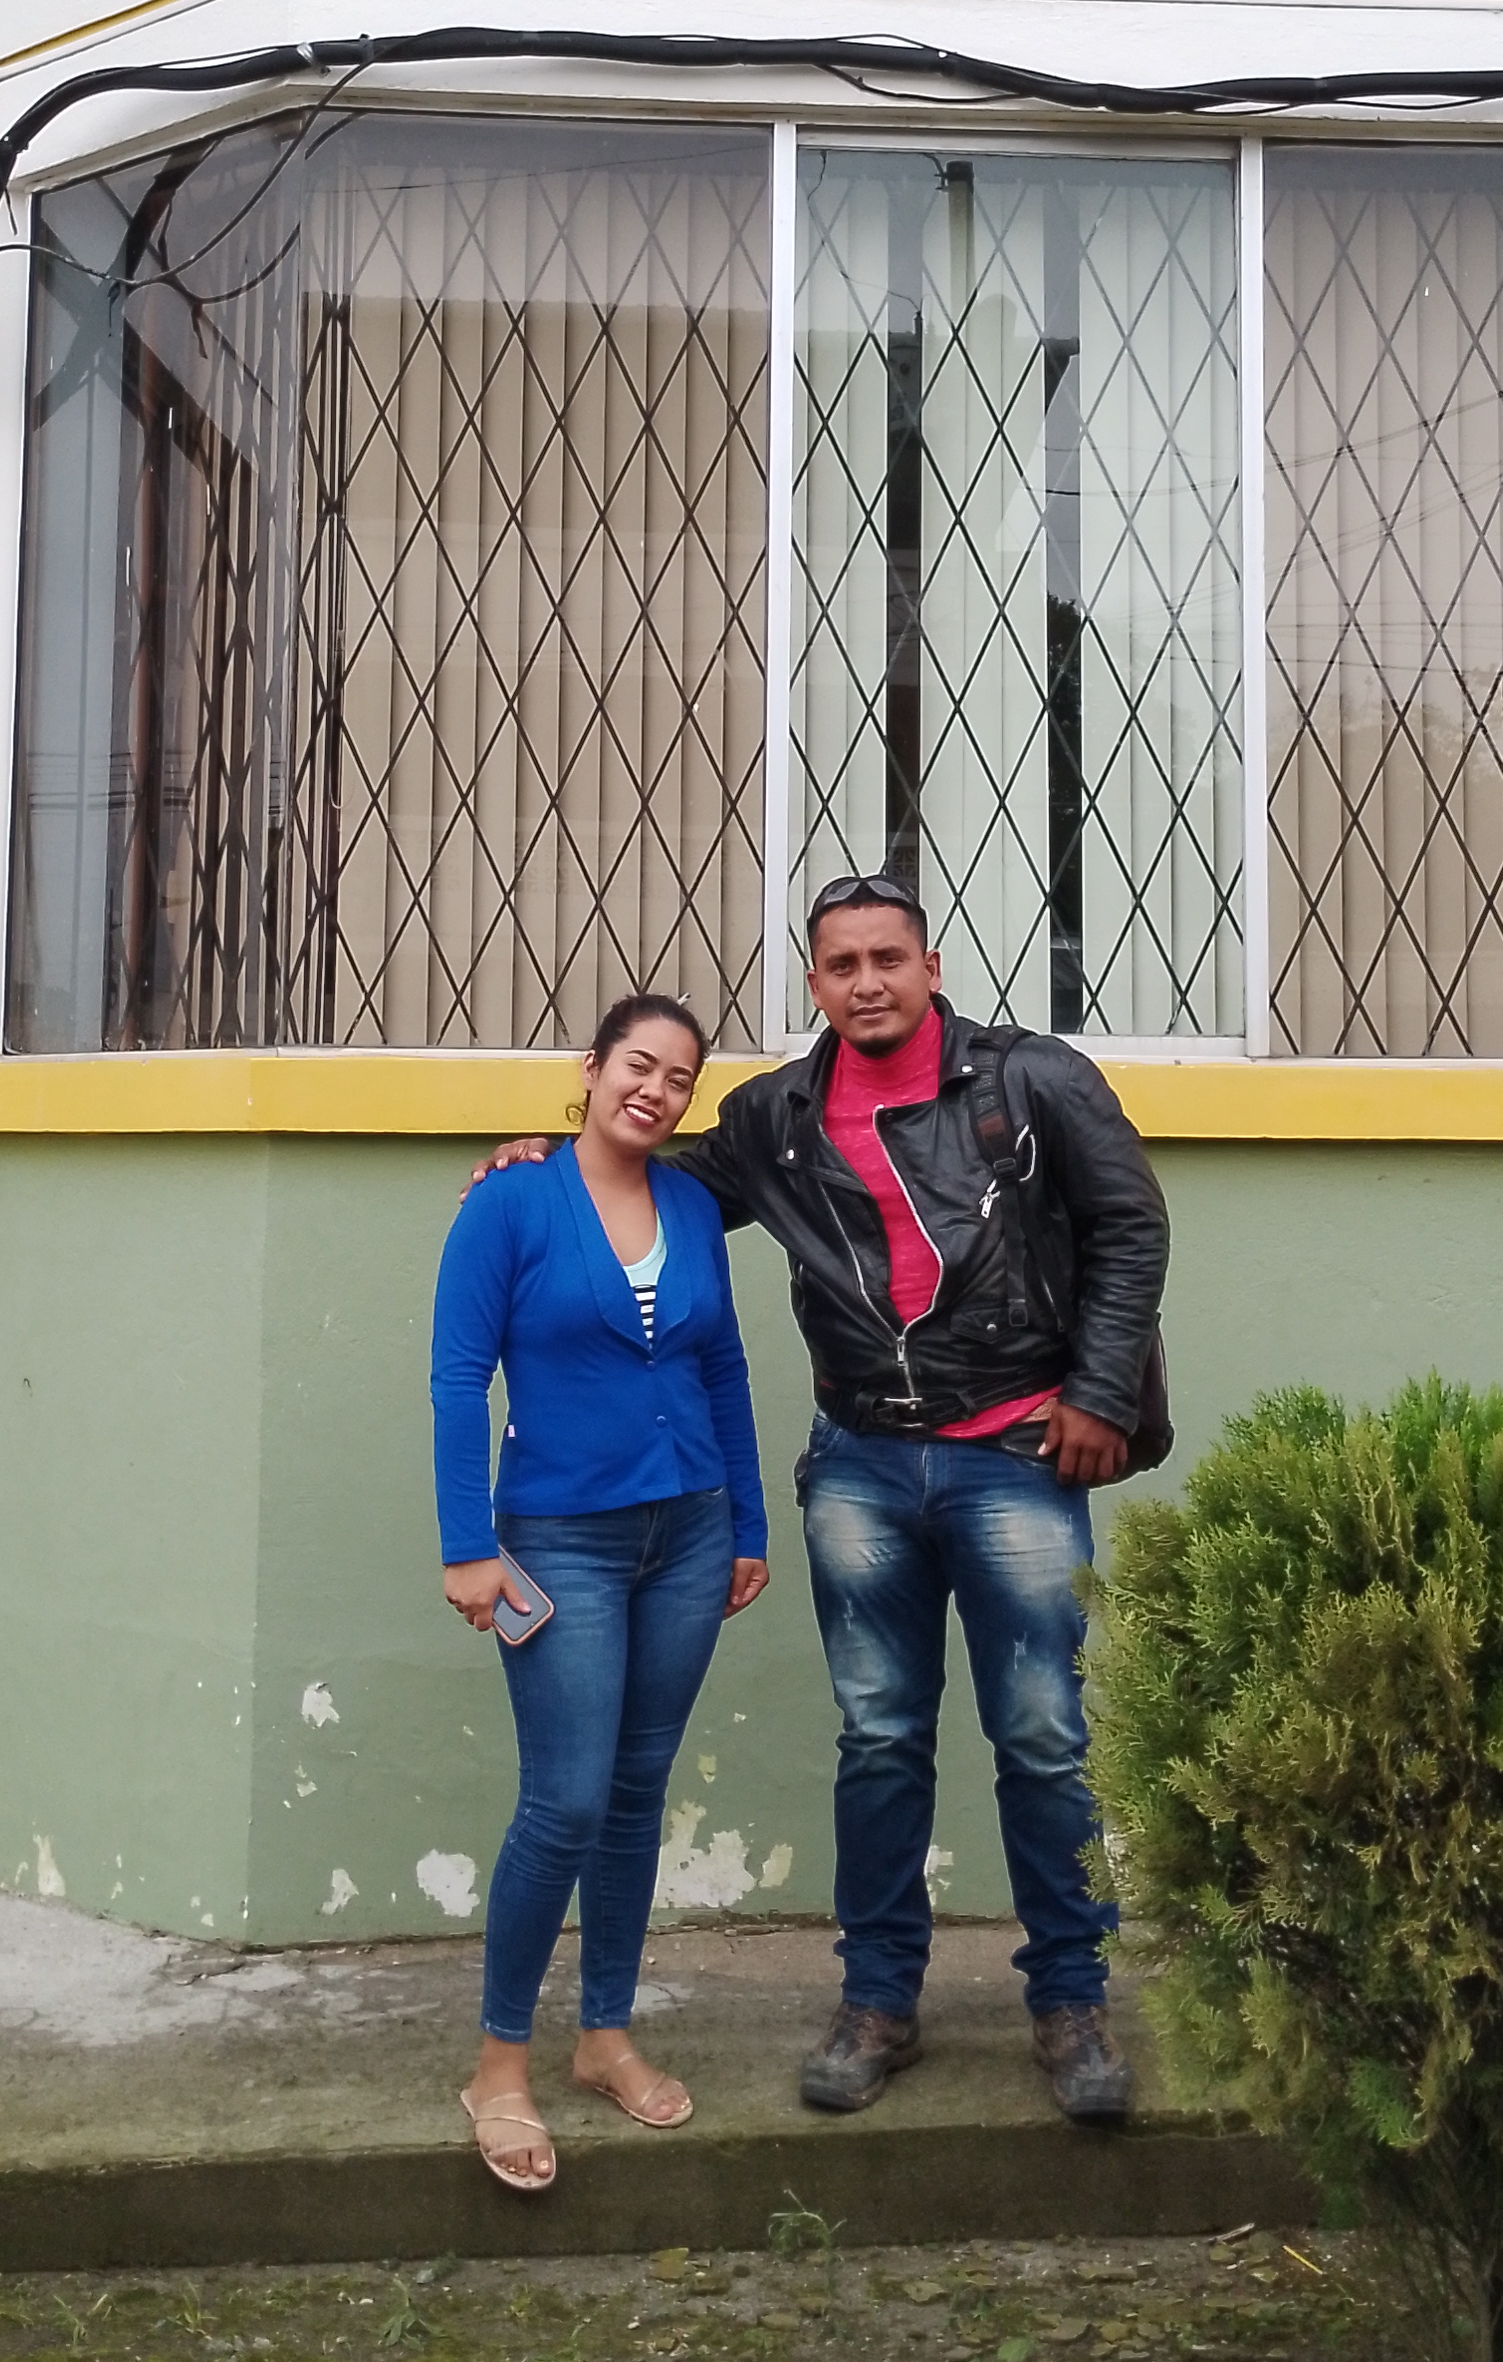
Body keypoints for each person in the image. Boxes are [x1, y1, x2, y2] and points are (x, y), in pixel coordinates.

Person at [485, 874, 1169, 2126]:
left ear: (931, 966)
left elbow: (1132, 1224)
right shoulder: (777, 1116)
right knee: (880, 1735)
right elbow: (657, 1181)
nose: (866, 981)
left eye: (887, 958)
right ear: (814, 983)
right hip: (859, 1461)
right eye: (841, 963)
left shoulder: (1032, 1079)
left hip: (1014, 1452)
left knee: (1042, 1734)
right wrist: (542, 1157)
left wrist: (1100, 1391)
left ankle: (1071, 2000)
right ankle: (878, 1999)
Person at [433, 990, 768, 2194]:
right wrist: (467, 1542)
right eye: (639, 1063)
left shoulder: (693, 1205)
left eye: (679, 1078)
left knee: (634, 1793)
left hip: (690, 1530)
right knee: (564, 1799)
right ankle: (499, 2064)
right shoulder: (510, 1200)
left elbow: (722, 1364)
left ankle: (606, 2034)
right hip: (559, 1537)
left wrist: (747, 1521)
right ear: (591, 1066)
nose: (656, 1090)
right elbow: (458, 1374)